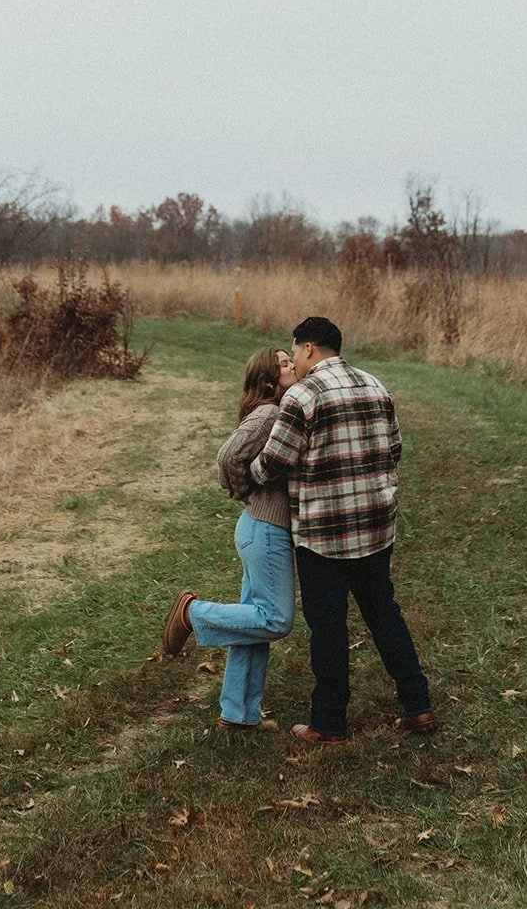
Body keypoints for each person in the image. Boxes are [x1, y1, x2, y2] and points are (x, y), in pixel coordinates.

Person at [249, 315, 437, 743]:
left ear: (309, 348)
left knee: (328, 627)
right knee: (384, 615)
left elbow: (276, 460)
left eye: (294, 351)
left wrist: (252, 474)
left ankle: (329, 722)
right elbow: (394, 450)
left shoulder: (302, 394)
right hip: (375, 527)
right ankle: (418, 706)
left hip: (324, 535)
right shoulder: (376, 385)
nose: (293, 360)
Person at [160, 348, 297, 729]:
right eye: (285, 364)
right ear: (269, 381)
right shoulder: (270, 413)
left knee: (251, 622)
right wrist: (247, 490)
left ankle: (238, 714)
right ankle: (191, 613)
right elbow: (228, 456)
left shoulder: (280, 412)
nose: (293, 367)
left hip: (261, 528)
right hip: (266, 530)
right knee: (275, 620)